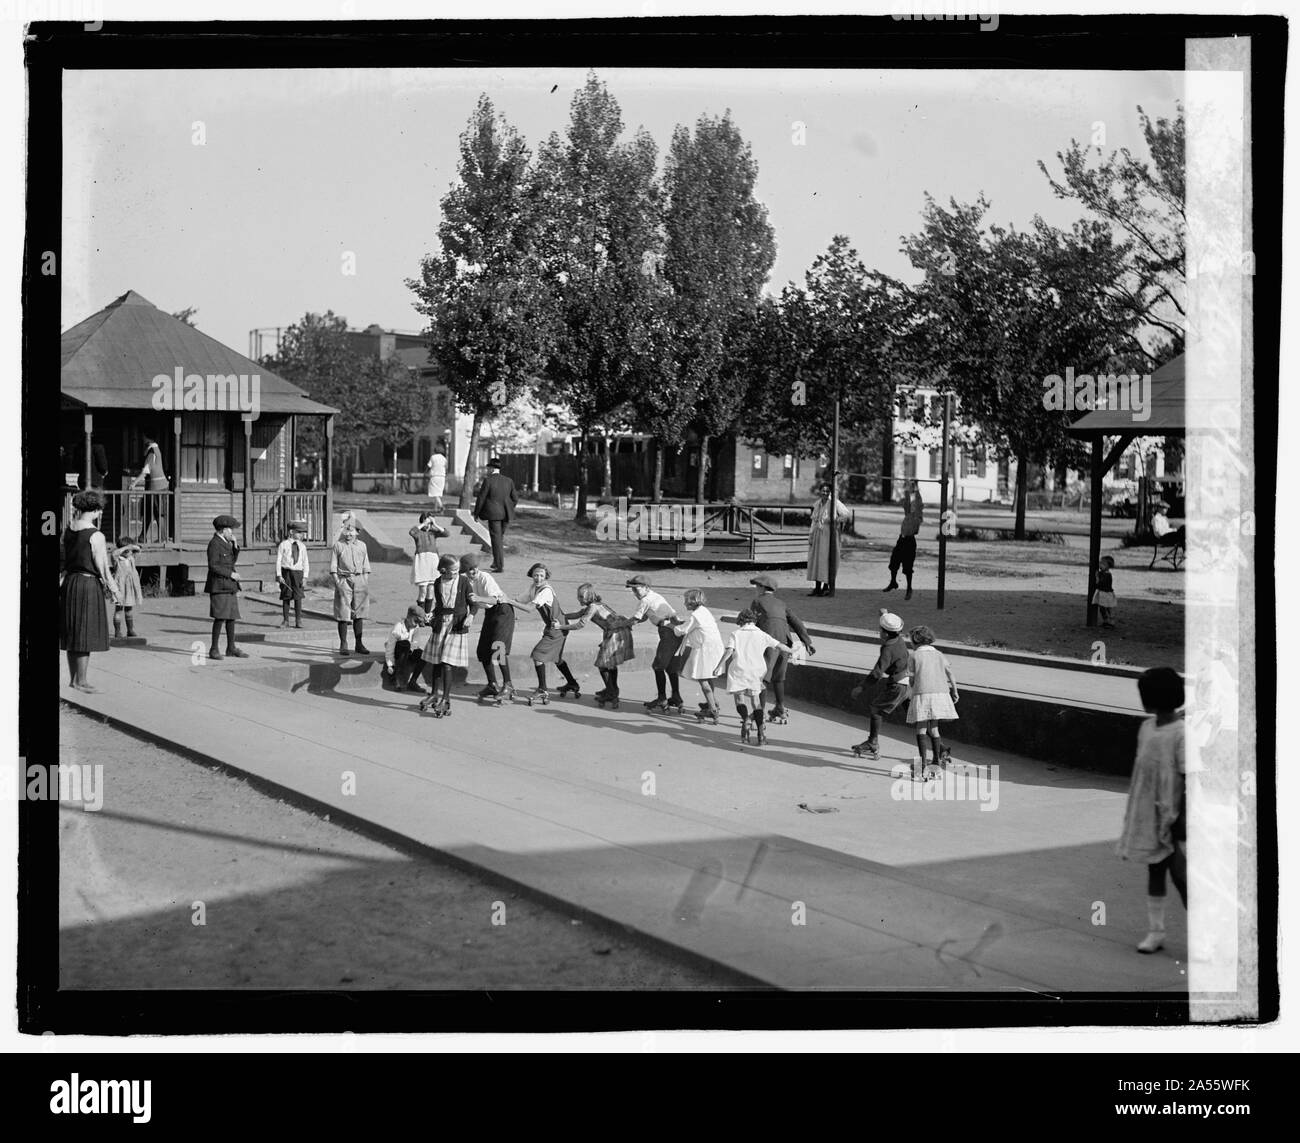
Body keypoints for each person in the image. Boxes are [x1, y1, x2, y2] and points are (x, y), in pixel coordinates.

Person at [1116, 666, 1187, 954]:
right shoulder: (1147, 727)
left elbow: (1189, 777)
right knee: (1155, 870)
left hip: (1175, 815)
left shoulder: (1181, 733)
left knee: (1183, 878)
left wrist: (1181, 819)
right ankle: (1155, 931)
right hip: (1149, 812)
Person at [60, 490, 121, 691]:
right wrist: (114, 590)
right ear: (95, 510)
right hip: (87, 584)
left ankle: (73, 679)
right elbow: (103, 566)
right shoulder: (96, 535)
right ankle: (82, 681)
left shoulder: (67, 529)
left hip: (70, 582)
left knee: (72, 631)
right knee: (85, 631)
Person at [715, 607, 793, 745]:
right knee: (756, 703)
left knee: (740, 700)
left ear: (740, 620)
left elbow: (728, 651)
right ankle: (761, 734)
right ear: (754, 620)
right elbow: (779, 645)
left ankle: (745, 719)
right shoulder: (762, 634)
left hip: (739, 669)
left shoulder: (736, 633)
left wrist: (718, 666)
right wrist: (793, 651)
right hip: (756, 672)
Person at [748, 574, 816, 725]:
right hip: (785, 643)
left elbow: (751, 623)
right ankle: (780, 707)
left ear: (762, 588)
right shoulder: (781, 603)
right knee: (779, 677)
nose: (755, 590)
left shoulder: (757, 602)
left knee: (762, 678)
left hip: (768, 643)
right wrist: (807, 641)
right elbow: (796, 622)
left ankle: (760, 711)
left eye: (756, 587)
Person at [418, 554, 474, 717]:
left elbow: (473, 603)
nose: (457, 573)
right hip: (441, 624)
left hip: (456, 625)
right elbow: (440, 605)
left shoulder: (463, 581)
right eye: (453, 570)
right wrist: (431, 614)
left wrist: (471, 616)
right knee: (436, 661)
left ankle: (446, 698)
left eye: (458, 570)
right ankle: (434, 694)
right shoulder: (437, 583)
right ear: (444, 570)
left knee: (447, 662)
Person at [850, 609, 911, 759]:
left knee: (876, 710)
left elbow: (877, 673)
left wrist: (861, 687)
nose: (879, 632)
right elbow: (891, 624)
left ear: (884, 633)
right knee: (918, 718)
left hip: (897, 686)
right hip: (908, 683)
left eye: (880, 629)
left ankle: (872, 743)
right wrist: (884, 614)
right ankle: (940, 748)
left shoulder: (887, 649)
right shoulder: (899, 639)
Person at [462, 552, 521, 703]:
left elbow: (495, 599)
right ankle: (492, 684)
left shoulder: (485, 578)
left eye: (474, 568)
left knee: (498, 648)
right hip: (490, 613)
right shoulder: (467, 582)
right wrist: (471, 616)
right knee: (482, 651)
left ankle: (508, 685)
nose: (473, 571)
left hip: (503, 610)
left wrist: (479, 598)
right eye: (469, 569)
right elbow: (473, 602)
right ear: (465, 571)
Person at [565, 583, 635, 707]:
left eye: (581, 596)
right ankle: (612, 689)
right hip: (620, 632)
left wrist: (561, 626)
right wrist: (562, 616)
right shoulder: (597, 605)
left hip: (615, 633)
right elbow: (577, 614)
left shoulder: (593, 607)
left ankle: (611, 693)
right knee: (610, 664)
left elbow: (580, 624)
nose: (579, 599)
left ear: (589, 596)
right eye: (578, 596)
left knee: (603, 665)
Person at [906, 625, 960, 777]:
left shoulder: (914, 655)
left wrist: (912, 687)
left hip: (923, 694)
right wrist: (955, 690)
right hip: (940, 694)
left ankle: (922, 766)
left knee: (921, 729)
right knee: (934, 729)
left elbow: (912, 678)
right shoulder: (939, 654)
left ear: (916, 640)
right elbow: (950, 673)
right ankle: (936, 763)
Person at [627, 574, 684, 713]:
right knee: (670, 668)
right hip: (677, 632)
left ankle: (662, 698)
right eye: (633, 590)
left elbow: (636, 619)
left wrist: (621, 624)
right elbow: (645, 617)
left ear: (646, 588)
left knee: (658, 666)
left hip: (667, 632)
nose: (634, 592)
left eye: (637, 589)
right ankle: (676, 697)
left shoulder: (645, 600)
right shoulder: (655, 596)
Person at [524, 562, 580, 703]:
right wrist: (502, 600)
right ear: (531, 574)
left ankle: (542, 689)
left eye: (541, 575)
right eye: (536, 575)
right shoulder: (533, 588)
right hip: (552, 627)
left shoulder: (546, 591)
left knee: (537, 655)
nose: (538, 578)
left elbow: (529, 608)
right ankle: (572, 683)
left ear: (546, 576)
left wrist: (508, 601)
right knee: (557, 658)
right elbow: (519, 600)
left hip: (558, 628)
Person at [671, 588, 726, 724]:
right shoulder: (705, 612)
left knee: (702, 679)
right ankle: (712, 702)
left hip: (704, 650)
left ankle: (713, 710)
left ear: (692, 602)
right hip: (715, 648)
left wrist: (669, 625)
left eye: (686, 601)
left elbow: (681, 631)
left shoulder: (695, 616)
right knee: (709, 676)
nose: (684, 603)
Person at [205, 515, 248, 660]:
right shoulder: (214, 544)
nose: (232, 533)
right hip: (219, 586)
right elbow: (213, 566)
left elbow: (231, 561)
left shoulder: (226, 543)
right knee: (220, 617)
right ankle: (213, 649)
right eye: (231, 530)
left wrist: (235, 547)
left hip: (229, 585)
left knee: (231, 617)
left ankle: (231, 647)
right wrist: (231, 574)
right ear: (223, 530)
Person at [330, 519, 372, 655]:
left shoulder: (362, 546)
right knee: (343, 613)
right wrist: (338, 581)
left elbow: (366, 565)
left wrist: (365, 580)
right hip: (344, 580)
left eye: (351, 530)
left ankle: (359, 644)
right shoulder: (338, 545)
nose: (348, 533)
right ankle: (343, 643)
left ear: (357, 532)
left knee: (359, 614)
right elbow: (333, 566)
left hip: (360, 580)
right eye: (346, 530)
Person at [473, 457, 518, 574]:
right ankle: (495, 562)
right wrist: (509, 507)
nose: (487, 470)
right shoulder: (509, 481)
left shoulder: (488, 480)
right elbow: (515, 499)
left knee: (496, 539)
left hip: (494, 515)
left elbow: (481, 498)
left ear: (492, 469)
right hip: (506, 514)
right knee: (499, 539)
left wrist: (476, 513)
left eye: (488, 468)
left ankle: (499, 565)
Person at [806, 478, 851, 597]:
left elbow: (846, 514)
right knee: (816, 560)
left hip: (829, 535)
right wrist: (811, 535)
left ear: (830, 492)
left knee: (826, 560)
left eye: (827, 491)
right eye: (823, 491)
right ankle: (817, 587)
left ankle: (826, 587)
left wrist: (835, 521)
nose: (824, 493)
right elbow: (814, 522)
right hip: (818, 534)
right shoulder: (817, 504)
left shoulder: (834, 503)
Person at [885, 480, 924, 600]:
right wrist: (908, 489)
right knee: (894, 561)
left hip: (910, 542)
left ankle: (909, 588)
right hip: (901, 539)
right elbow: (906, 503)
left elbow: (918, 502)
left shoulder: (917, 516)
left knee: (907, 567)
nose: (911, 506)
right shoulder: (907, 514)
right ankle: (893, 582)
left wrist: (915, 489)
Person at [409, 511, 450, 616]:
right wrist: (423, 523)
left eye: (430, 523)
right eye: (427, 523)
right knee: (423, 590)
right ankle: (420, 614)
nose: (428, 525)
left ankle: (427, 615)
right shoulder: (418, 532)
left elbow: (446, 533)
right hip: (422, 560)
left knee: (431, 589)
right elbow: (412, 532)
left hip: (433, 561)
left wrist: (435, 524)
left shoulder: (433, 532)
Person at [132, 435, 169, 543]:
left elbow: (145, 471)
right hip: (153, 486)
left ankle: (163, 538)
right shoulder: (154, 450)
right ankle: (143, 537)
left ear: (147, 438)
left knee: (158, 512)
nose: (142, 439)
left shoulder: (152, 451)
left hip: (157, 486)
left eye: (143, 437)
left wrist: (134, 483)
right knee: (147, 511)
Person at [275, 519, 310, 629]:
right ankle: (285, 620)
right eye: (298, 532)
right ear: (291, 532)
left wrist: (305, 576)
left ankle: (298, 620)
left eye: (302, 533)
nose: (301, 535)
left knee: (298, 596)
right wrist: (279, 575)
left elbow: (305, 562)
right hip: (287, 572)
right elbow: (278, 560)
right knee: (286, 596)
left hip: (298, 573)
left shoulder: (302, 546)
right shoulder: (283, 545)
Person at [384, 605, 429, 693]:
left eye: (419, 622)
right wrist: (390, 665)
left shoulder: (415, 628)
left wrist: (413, 647)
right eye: (415, 621)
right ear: (409, 617)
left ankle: (413, 682)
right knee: (405, 643)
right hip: (399, 653)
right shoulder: (398, 628)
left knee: (423, 654)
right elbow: (390, 648)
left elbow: (417, 643)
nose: (416, 624)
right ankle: (397, 679)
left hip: (408, 652)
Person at [110, 541, 143, 638]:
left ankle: (130, 629)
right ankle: (118, 631)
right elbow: (114, 553)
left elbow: (138, 549)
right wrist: (125, 548)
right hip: (120, 587)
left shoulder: (131, 558)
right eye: (128, 550)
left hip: (130, 587)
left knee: (129, 609)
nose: (130, 552)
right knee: (119, 609)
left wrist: (132, 547)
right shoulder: (117, 559)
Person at [1092, 555, 1117, 628]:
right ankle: (1105, 620)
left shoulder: (1107, 575)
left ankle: (1111, 621)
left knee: (1109, 607)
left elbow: (1101, 583)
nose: (1100, 565)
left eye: (1103, 564)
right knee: (1102, 607)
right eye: (1100, 563)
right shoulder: (1101, 573)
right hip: (1102, 593)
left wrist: (1097, 578)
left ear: (1108, 566)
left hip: (1107, 593)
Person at [425, 441, 448, 511]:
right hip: (442, 477)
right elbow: (446, 468)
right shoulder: (444, 459)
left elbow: (429, 466)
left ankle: (441, 506)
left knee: (434, 493)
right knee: (438, 493)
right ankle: (435, 508)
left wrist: (425, 472)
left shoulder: (433, 457)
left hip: (434, 476)